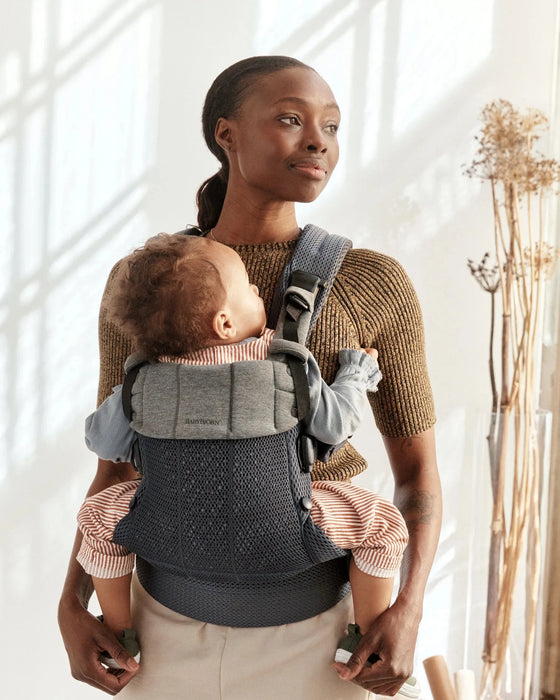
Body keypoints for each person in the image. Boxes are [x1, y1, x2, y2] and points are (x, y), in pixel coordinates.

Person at [58, 55, 441, 699]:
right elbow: (116, 468)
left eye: (333, 125)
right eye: (290, 119)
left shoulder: (373, 284)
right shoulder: (148, 284)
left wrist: (409, 607)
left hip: (325, 641)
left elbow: (418, 476)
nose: (319, 140)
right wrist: (73, 604)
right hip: (161, 634)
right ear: (225, 133)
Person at [74, 231, 409, 672]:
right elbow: (337, 425)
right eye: (249, 287)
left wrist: (125, 395)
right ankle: (363, 640)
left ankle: (121, 637)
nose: (258, 290)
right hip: (284, 536)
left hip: (171, 535)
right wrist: (356, 374)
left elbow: (104, 444)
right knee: (382, 525)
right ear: (225, 324)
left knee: (95, 520)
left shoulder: (141, 381)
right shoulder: (285, 362)